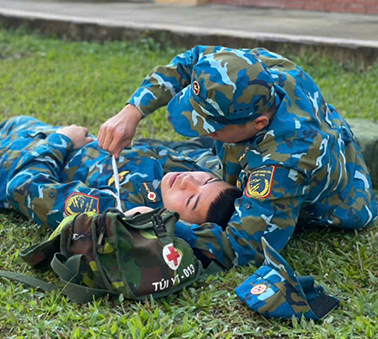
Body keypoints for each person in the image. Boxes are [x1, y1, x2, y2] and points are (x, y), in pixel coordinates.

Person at [96, 46, 377, 267]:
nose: (203, 130)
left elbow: (244, 246)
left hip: (341, 201)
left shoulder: (283, 164)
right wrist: (132, 111)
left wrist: (161, 224)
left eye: (213, 128)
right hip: (304, 143)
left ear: (258, 124)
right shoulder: (256, 70)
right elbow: (193, 60)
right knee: (175, 157)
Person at [0, 115, 242, 238]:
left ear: (181, 223)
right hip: (39, 133)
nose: (188, 181)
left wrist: (62, 140)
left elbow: (23, 188)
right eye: (204, 179)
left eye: (190, 199)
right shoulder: (181, 170)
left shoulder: (116, 210)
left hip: (2, 164)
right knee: (13, 121)